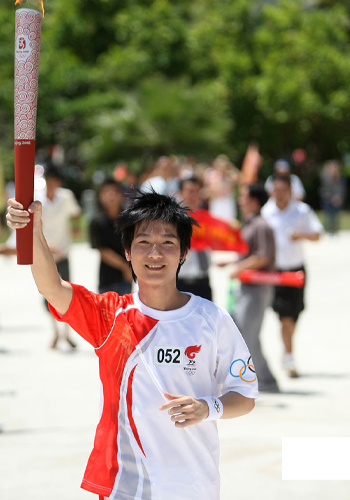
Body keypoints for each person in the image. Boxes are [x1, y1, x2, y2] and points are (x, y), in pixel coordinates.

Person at [7, 190, 258, 500]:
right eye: (143, 243)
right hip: (126, 486)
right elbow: (52, 288)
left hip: (194, 486)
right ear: (127, 251)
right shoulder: (110, 315)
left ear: (183, 253)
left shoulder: (212, 319)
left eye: (167, 243)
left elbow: (245, 396)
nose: (155, 254)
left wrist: (208, 407)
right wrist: (33, 230)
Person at [218, 183, 279, 392]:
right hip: (245, 288)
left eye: (243, 195)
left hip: (256, 289)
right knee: (242, 333)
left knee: (248, 336)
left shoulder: (261, 225)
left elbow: (263, 256)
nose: (239, 199)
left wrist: (238, 267)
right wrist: (231, 263)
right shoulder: (249, 224)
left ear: (254, 201)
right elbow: (248, 254)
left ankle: (267, 380)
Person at [261, 176, 323, 377]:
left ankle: (286, 348)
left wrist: (301, 234)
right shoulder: (266, 212)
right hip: (276, 272)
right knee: (285, 318)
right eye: (276, 191)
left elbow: (317, 234)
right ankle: (289, 356)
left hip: (296, 270)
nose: (279, 194)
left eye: (283, 190)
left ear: (290, 191)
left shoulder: (301, 210)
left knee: (295, 315)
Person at [37, 166, 82, 349]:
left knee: (67, 292)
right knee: (48, 294)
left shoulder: (66, 196)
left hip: (63, 250)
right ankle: (55, 332)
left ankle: (67, 333)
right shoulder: (37, 198)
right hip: (44, 253)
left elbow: (75, 213)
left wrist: (76, 227)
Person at [90, 179, 132, 294]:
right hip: (107, 279)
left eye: (114, 191)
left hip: (126, 279)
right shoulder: (96, 221)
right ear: (101, 196)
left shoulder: (129, 220)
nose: (111, 195)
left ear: (121, 195)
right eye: (107, 192)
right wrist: (125, 268)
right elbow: (103, 252)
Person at [177, 176, 213, 300]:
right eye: (189, 191)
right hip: (181, 281)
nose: (193, 195)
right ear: (181, 193)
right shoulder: (173, 221)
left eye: (196, 192)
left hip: (203, 280)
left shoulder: (207, 219)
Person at [319, 160, 347, 234]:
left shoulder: (340, 178)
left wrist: (339, 197)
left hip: (337, 199)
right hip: (327, 199)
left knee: (336, 215)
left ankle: (335, 229)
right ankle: (328, 229)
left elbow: (342, 189)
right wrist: (332, 197)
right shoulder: (326, 177)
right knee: (328, 215)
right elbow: (325, 189)